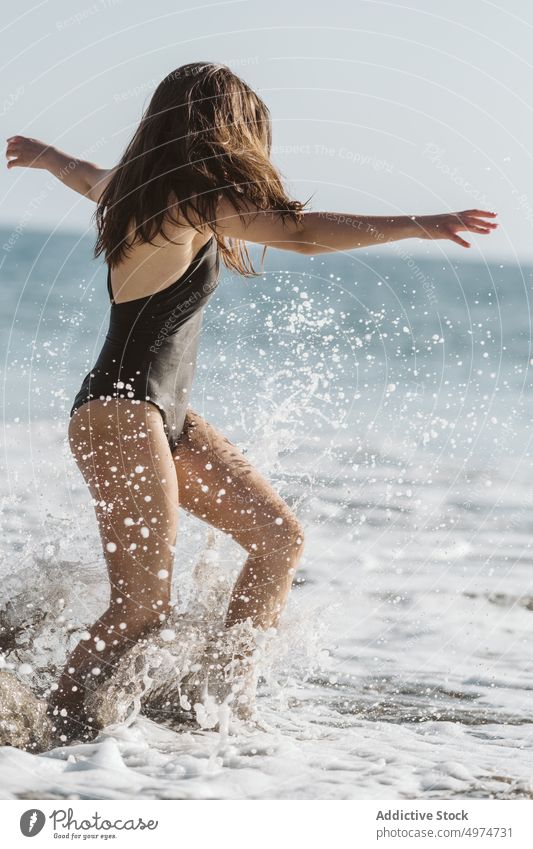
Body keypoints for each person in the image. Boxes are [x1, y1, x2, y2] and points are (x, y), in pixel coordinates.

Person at [5, 62, 497, 742]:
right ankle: (45, 735)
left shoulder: (136, 190)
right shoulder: (183, 198)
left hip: (157, 415)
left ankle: (221, 705)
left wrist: (40, 156)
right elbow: (298, 234)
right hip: (122, 410)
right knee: (141, 605)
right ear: (221, 130)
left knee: (276, 538)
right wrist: (417, 223)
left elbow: (82, 172)